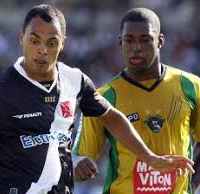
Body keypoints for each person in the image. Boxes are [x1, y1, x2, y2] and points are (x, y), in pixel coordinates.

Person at [0, 5, 194, 194]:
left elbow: (112, 117)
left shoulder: (75, 80)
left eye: (52, 42)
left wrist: (149, 158)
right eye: (34, 40)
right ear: (21, 38)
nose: (42, 49)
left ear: (63, 44)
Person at [72, 7, 200, 194]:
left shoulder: (191, 86)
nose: (136, 47)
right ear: (120, 43)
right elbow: (79, 155)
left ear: (160, 41)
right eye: (129, 40)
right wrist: (78, 163)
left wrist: (193, 183)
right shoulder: (103, 97)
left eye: (145, 39)